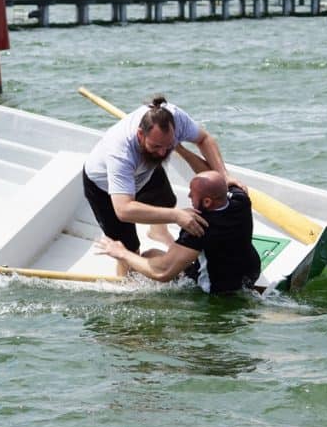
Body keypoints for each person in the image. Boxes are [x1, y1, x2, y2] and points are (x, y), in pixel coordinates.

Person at [82, 94, 239, 270]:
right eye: (156, 146)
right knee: (129, 250)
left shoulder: (175, 119)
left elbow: (204, 139)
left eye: (169, 145)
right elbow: (123, 209)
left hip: (144, 171)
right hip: (103, 186)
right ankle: (123, 284)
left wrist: (223, 174)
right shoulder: (121, 151)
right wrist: (176, 216)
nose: (164, 153)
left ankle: (157, 232)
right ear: (140, 135)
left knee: (166, 201)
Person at [96, 169, 261, 293]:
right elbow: (225, 181)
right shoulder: (241, 199)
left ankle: (125, 285)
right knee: (158, 253)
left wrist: (121, 253)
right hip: (250, 272)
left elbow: (162, 272)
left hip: (218, 288)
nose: (189, 195)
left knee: (148, 257)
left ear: (208, 201)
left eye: (193, 194)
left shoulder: (198, 226)